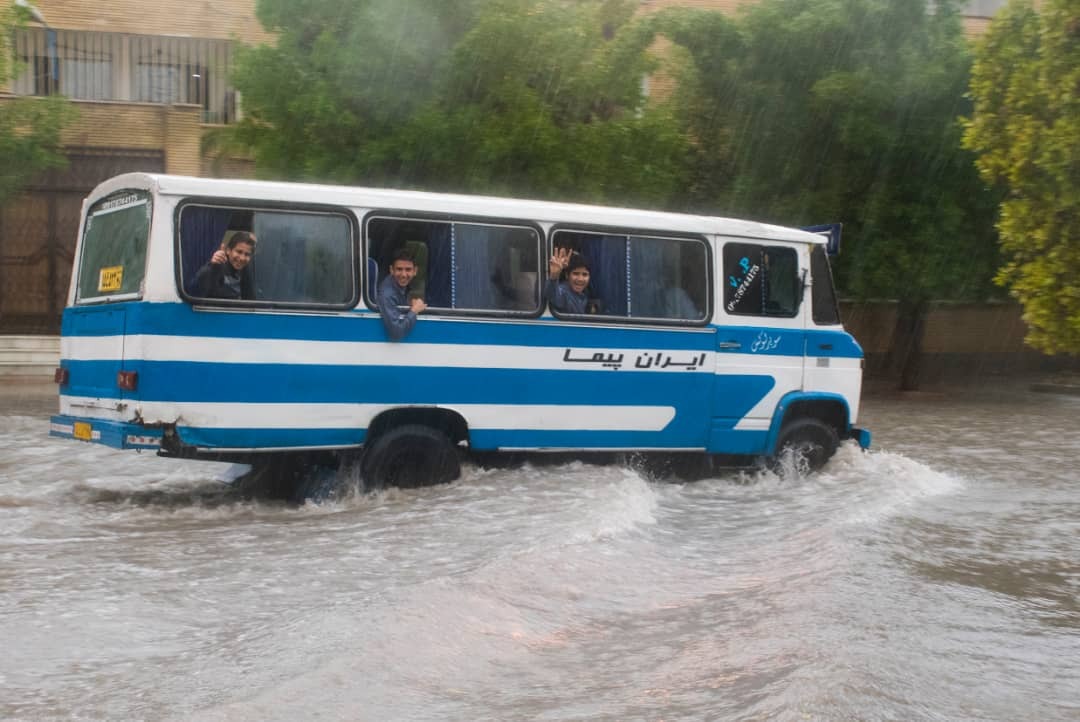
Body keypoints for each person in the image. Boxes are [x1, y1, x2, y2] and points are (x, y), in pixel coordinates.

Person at [377, 247, 427, 340]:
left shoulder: (402, 286)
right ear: (391, 270)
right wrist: (414, 311)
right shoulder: (387, 295)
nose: (404, 275)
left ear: (415, 271)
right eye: (399, 269)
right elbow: (396, 333)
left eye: (408, 270)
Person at [193, 231, 257, 300]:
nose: (242, 258)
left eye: (247, 254)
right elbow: (199, 292)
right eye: (239, 252)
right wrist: (212, 266)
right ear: (228, 250)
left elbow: (250, 299)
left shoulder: (245, 271)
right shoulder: (216, 266)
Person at [545, 247, 590, 314]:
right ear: (567, 275)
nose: (580, 279)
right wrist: (554, 276)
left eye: (585, 274)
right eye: (576, 273)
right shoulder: (564, 292)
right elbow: (552, 295)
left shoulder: (583, 295)